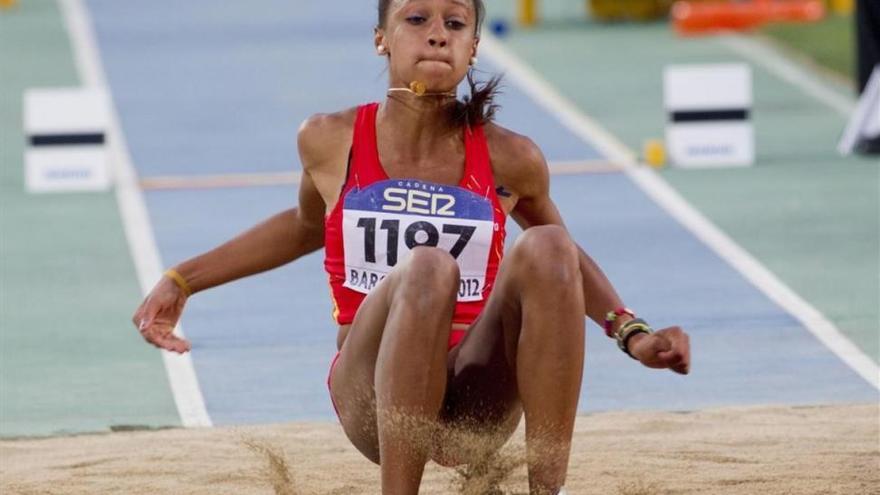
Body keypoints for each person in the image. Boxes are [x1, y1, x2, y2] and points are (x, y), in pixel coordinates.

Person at [132, 1, 691, 493]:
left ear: (474, 45)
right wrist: (182, 279)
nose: (437, 34)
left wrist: (631, 332)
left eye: (455, 23)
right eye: (416, 18)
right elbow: (305, 226)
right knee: (427, 268)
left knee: (545, 244)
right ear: (382, 37)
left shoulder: (511, 157)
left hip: (476, 399)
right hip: (370, 393)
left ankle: (549, 490)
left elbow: (562, 262)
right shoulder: (331, 139)